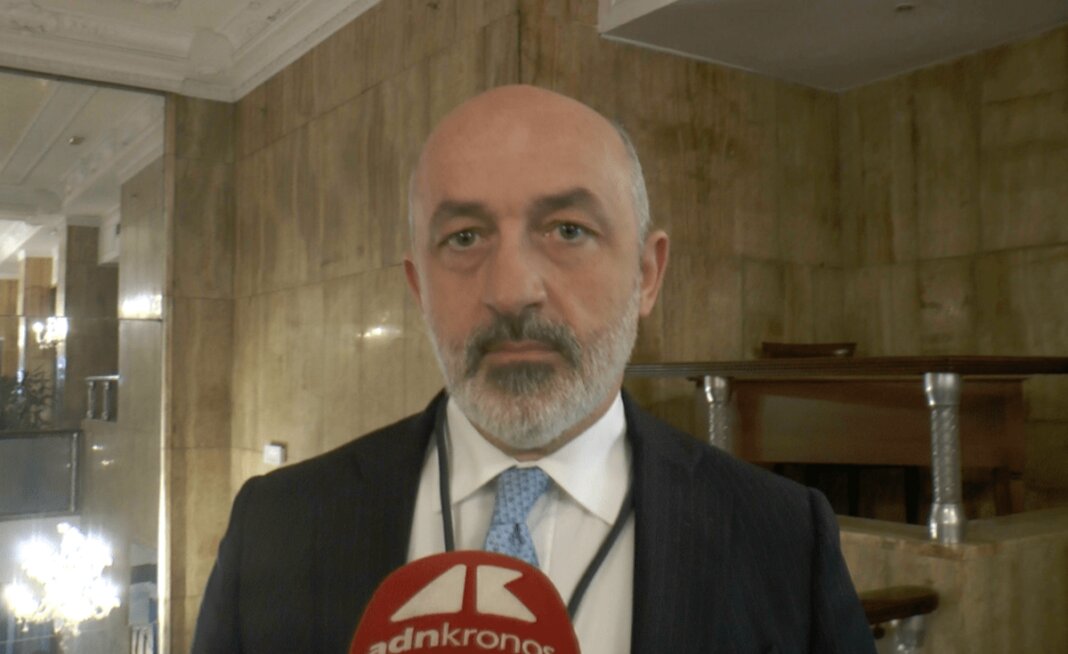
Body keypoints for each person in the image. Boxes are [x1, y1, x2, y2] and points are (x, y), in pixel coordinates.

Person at [192, 85, 875, 653]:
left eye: (568, 230)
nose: (512, 290)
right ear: (418, 286)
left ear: (646, 274)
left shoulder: (785, 540)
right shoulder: (276, 530)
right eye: (464, 237)